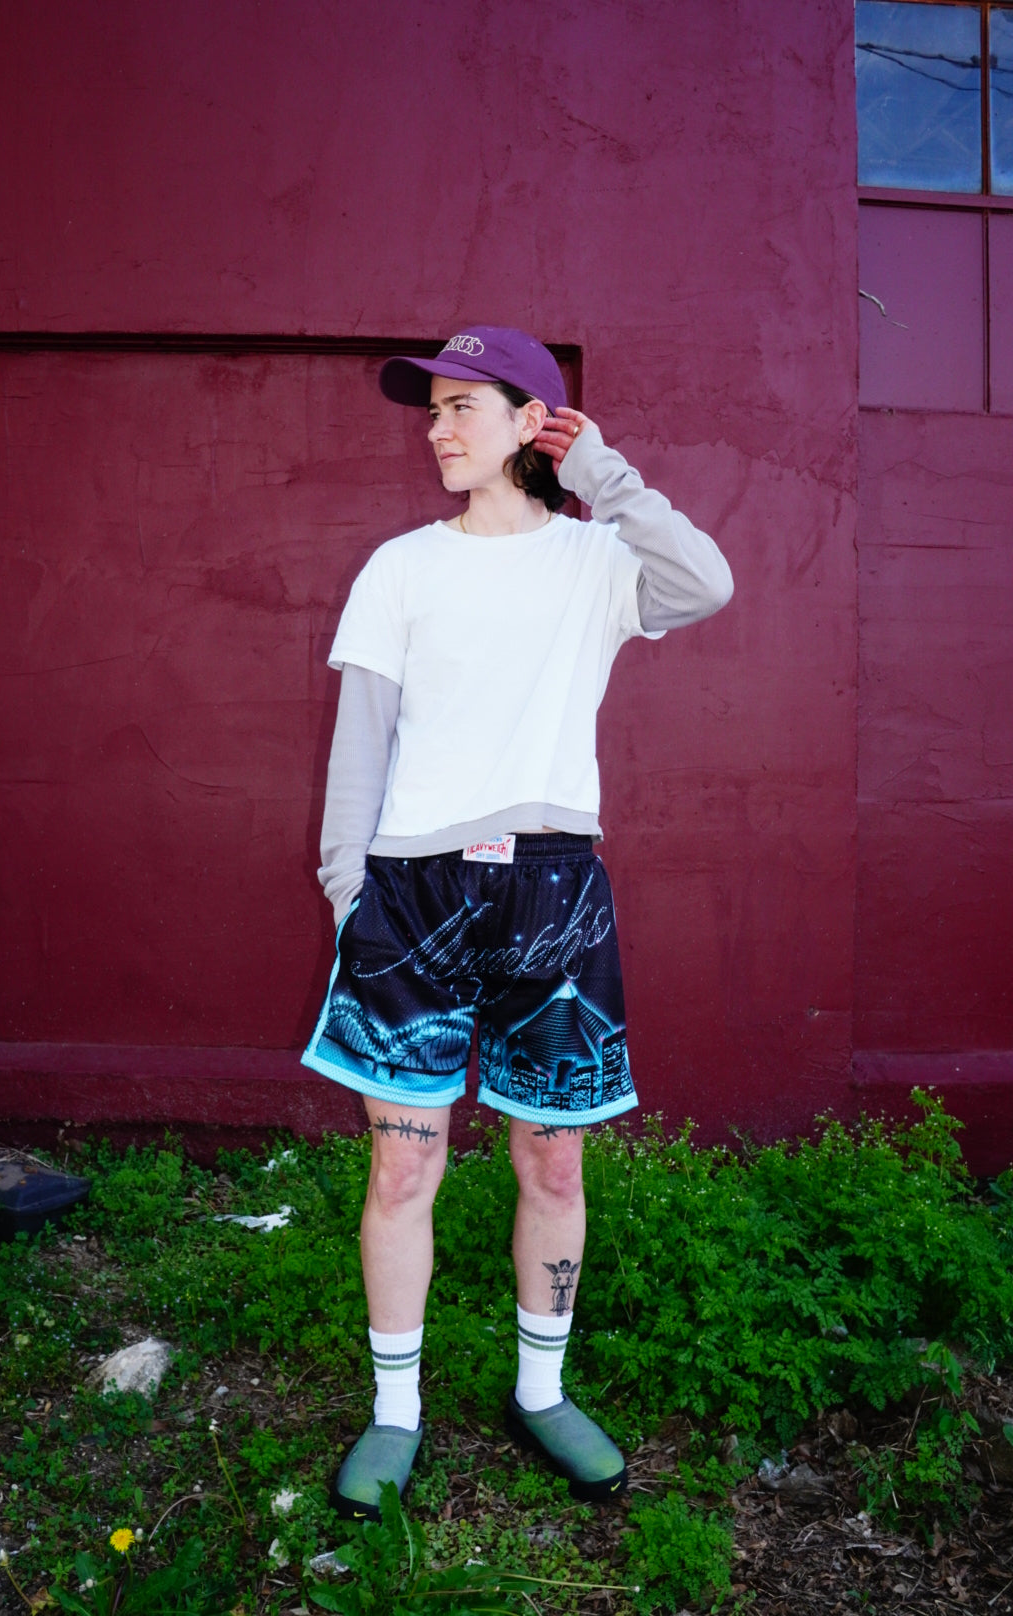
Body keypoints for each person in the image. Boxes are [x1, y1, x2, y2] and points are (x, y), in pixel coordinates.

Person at [301, 326, 733, 1521]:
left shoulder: (597, 560)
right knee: (404, 1160)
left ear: (529, 421)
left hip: (552, 889)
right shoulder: (400, 567)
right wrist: (348, 892)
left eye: (460, 406)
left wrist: (603, 474)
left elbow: (707, 582)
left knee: (552, 1154)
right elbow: (360, 744)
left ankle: (541, 1391)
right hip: (412, 893)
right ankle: (396, 1411)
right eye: (431, 408)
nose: (436, 428)